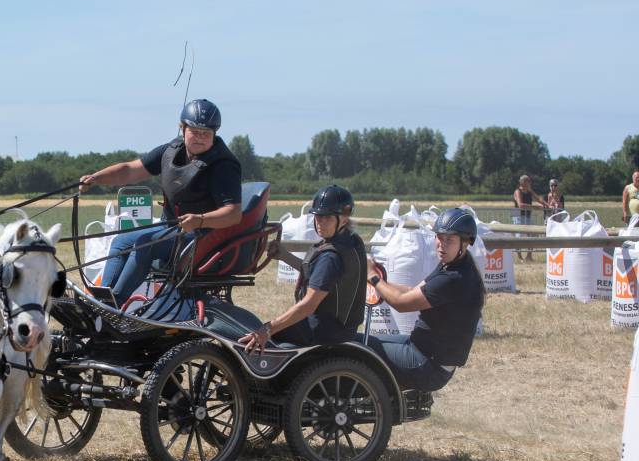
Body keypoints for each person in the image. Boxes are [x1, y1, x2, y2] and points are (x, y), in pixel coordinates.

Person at [79, 99, 244, 303]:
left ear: (215, 133)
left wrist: (200, 220)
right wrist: (96, 178)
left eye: (206, 133)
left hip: (203, 236)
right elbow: (130, 170)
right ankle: (101, 299)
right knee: (121, 241)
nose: (200, 138)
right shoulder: (171, 151)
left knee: (145, 244)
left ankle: (115, 302)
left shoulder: (224, 165)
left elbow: (233, 214)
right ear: (182, 128)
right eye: (195, 131)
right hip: (171, 229)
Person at [364, 208, 485, 392]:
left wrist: (373, 277)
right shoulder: (453, 265)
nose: (442, 245)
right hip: (422, 351)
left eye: (450, 240)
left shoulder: (453, 278)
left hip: (428, 366)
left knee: (359, 347)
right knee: (365, 341)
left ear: (466, 242)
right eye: (439, 237)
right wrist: (381, 283)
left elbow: (401, 303)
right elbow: (412, 292)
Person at [240, 185, 366, 352]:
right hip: (341, 328)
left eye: (327, 217)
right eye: (318, 216)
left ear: (344, 218)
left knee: (260, 336)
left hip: (322, 332)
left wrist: (267, 329)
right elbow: (320, 275)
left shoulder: (331, 256)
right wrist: (284, 256)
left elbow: (309, 305)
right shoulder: (350, 241)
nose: (320, 222)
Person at [512, 175, 547, 262]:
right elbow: (520, 205)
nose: (530, 183)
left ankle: (529, 256)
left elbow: (538, 199)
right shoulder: (518, 191)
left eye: (529, 181)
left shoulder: (529, 191)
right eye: (528, 181)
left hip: (527, 216)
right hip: (518, 216)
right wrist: (535, 207)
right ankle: (520, 258)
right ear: (522, 182)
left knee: (533, 235)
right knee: (519, 237)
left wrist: (546, 205)